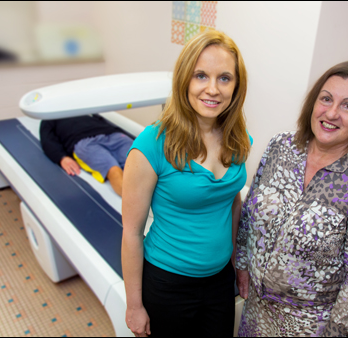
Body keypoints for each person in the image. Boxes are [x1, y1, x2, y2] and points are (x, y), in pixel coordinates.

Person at [236, 61, 348, 337]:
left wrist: (335, 332)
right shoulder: (280, 147)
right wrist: (243, 265)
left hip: (307, 324)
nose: (331, 113)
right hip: (256, 309)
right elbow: (250, 211)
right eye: (326, 98)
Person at [121, 30, 252, 337]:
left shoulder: (238, 139)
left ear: (236, 85)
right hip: (168, 283)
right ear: (184, 80)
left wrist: (235, 262)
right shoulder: (152, 145)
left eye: (224, 78)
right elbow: (131, 232)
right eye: (201, 75)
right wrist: (134, 306)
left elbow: (232, 200)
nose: (212, 89)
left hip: (219, 279)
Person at [40, 114, 133, 196]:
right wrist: (62, 157)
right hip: (84, 142)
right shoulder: (50, 117)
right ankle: (138, 203)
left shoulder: (83, 110)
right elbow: (47, 140)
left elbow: (103, 121)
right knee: (113, 169)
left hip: (113, 135)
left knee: (140, 165)